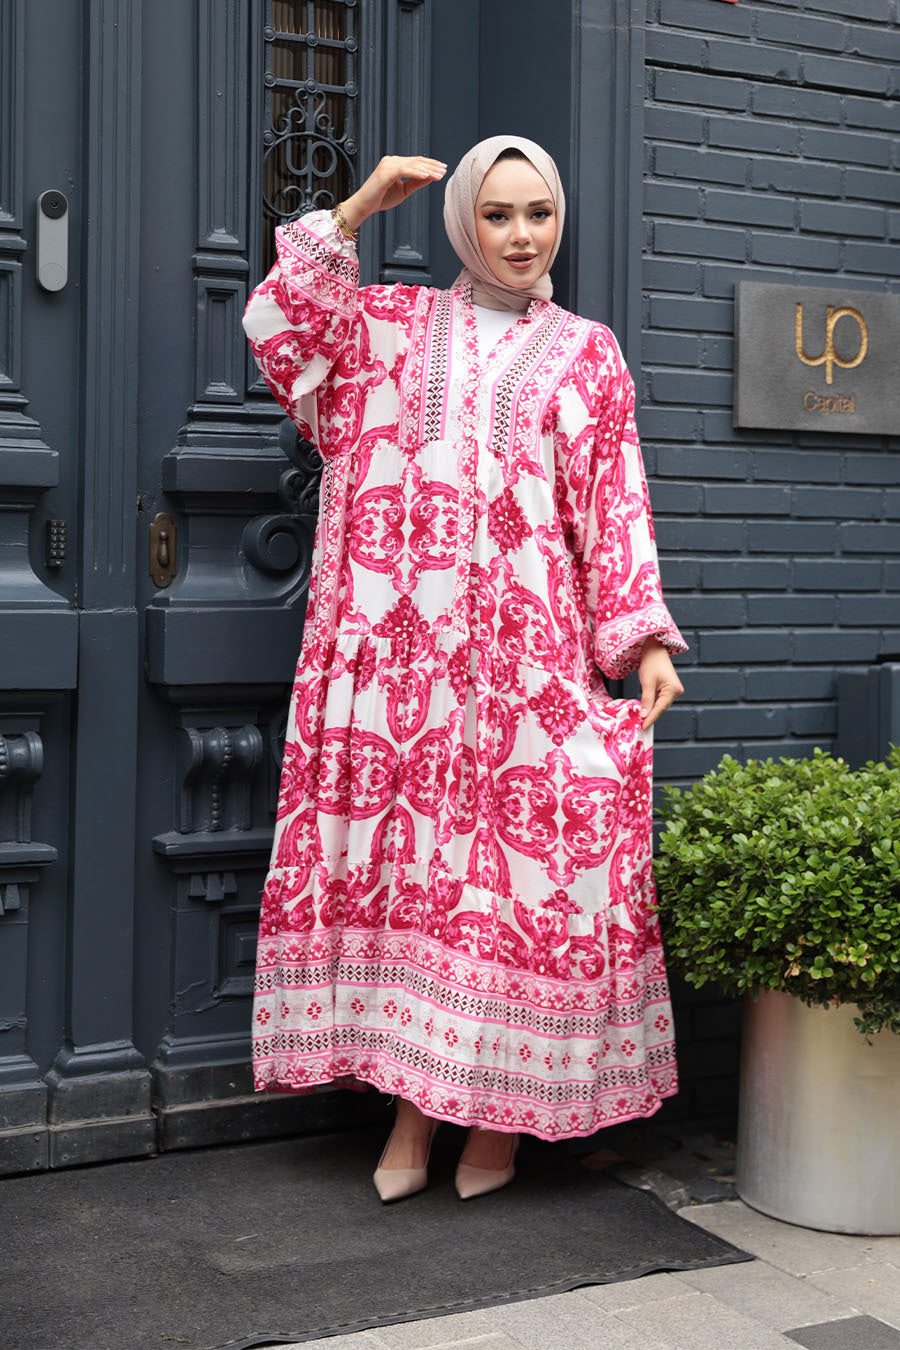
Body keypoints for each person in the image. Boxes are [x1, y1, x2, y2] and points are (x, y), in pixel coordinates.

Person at [242, 135, 686, 1204]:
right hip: (403, 675)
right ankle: (412, 1111)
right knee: (425, 894)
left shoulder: (588, 353)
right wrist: (354, 212)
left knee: (516, 888)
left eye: (539, 214)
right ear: (462, 225)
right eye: (498, 215)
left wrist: (645, 639)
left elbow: (611, 504)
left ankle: (497, 1126)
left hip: (529, 669)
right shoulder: (387, 329)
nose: (523, 236)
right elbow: (276, 333)